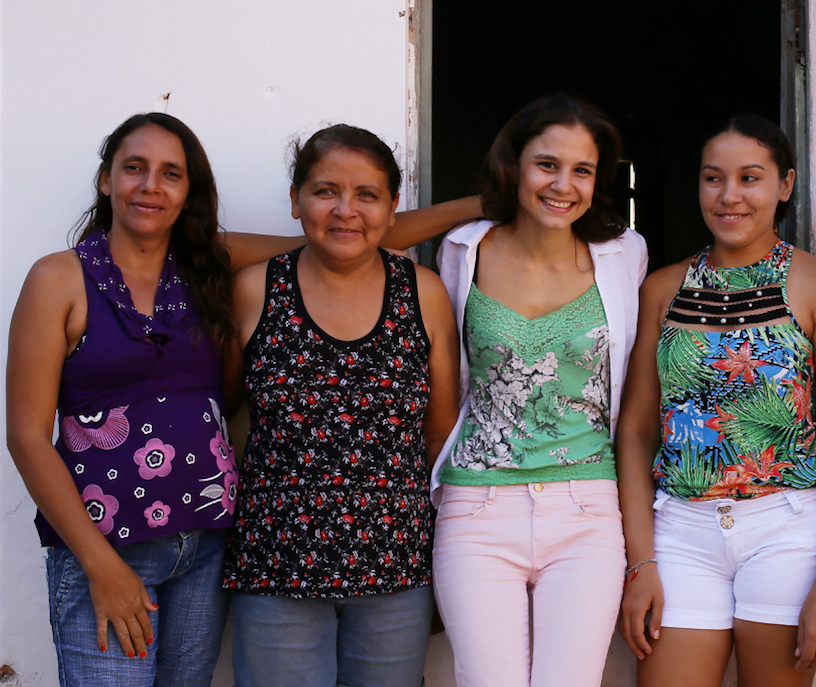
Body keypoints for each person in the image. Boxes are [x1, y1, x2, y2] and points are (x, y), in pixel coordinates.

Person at [5, 111, 474, 687]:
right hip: (112, 543)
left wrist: (479, 204)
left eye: (170, 174)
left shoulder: (203, 263)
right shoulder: (60, 277)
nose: (151, 186)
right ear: (106, 180)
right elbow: (27, 434)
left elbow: (344, 235)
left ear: (189, 191)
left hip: (203, 542)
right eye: (134, 168)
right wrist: (99, 563)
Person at [387, 94, 646, 687]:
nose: (564, 185)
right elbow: (381, 233)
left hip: (587, 508)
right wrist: (497, 199)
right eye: (546, 165)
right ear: (514, 163)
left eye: (582, 171)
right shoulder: (464, 247)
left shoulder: (622, 253)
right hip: (476, 508)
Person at [616, 113, 816, 687]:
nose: (729, 196)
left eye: (750, 178)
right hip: (678, 531)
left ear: (784, 185)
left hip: (787, 527)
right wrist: (640, 562)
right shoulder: (663, 288)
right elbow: (634, 433)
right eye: (713, 178)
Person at [221, 124, 460, 687]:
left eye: (367, 194)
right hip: (277, 562)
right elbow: (224, 409)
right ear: (297, 198)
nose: (345, 210)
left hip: (394, 566)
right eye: (326, 191)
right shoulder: (257, 289)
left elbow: (440, 434)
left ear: (393, 205)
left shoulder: (422, 293)